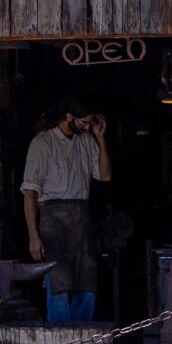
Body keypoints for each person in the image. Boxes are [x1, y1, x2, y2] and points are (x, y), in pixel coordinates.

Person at [21, 97, 112, 314]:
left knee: (87, 283)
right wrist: (33, 236)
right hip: (53, 222)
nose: (88, 126)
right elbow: (29, 193)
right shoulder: (42, 143)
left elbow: (105, 176)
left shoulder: (87, 139)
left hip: (82, 220)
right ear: (69, 117)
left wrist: (100, 139)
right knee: (59, 283)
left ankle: (83, 341)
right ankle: (61, 342)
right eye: (85, 122)